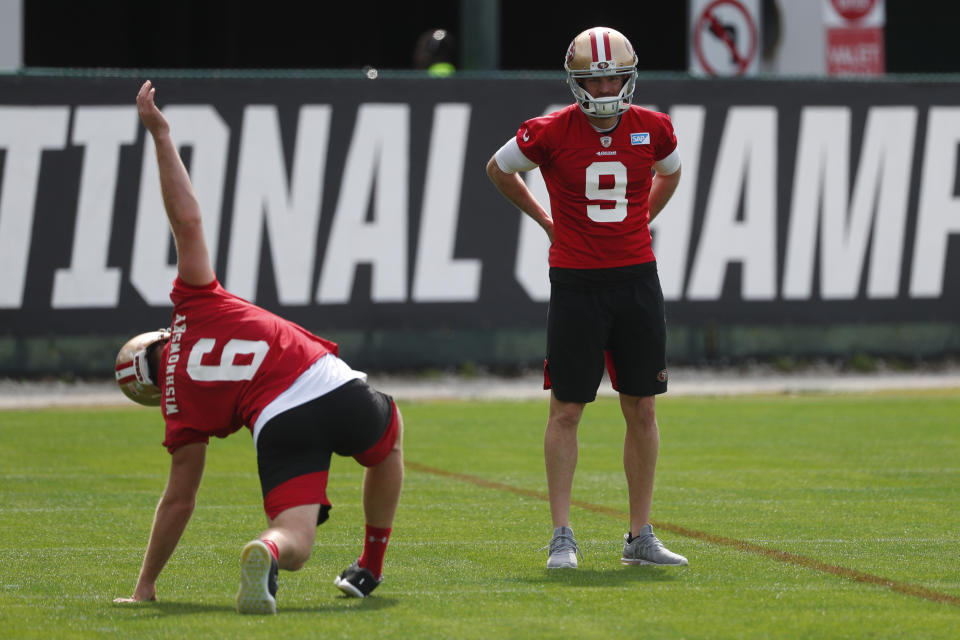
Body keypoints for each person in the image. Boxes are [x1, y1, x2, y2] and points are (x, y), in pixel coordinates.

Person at [113, 80, 404, 613]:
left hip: (278, 425)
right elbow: (187, 219)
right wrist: (160, 134)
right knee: (388, 435)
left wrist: (145, 585)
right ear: (155, 340)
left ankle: (268, 550)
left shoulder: (179, 410)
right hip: (323, 381)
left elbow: (179, 500)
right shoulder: (192, 307)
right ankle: (370, 567)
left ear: (153, 390)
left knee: (295, 541)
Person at [485, 27, 687, 569]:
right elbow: (498, 168)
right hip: (576, 282)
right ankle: (561, 534)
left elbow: (671, 172)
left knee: (642, 406)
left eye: (612, 74)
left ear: (628, 74)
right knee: (567, 408)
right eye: (593, 76)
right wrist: (546, 221)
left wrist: (643, 219)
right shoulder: (550, 131)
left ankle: (640, 535)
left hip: (637, 279)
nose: (603, 85)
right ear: (576, 80)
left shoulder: (653, 127)